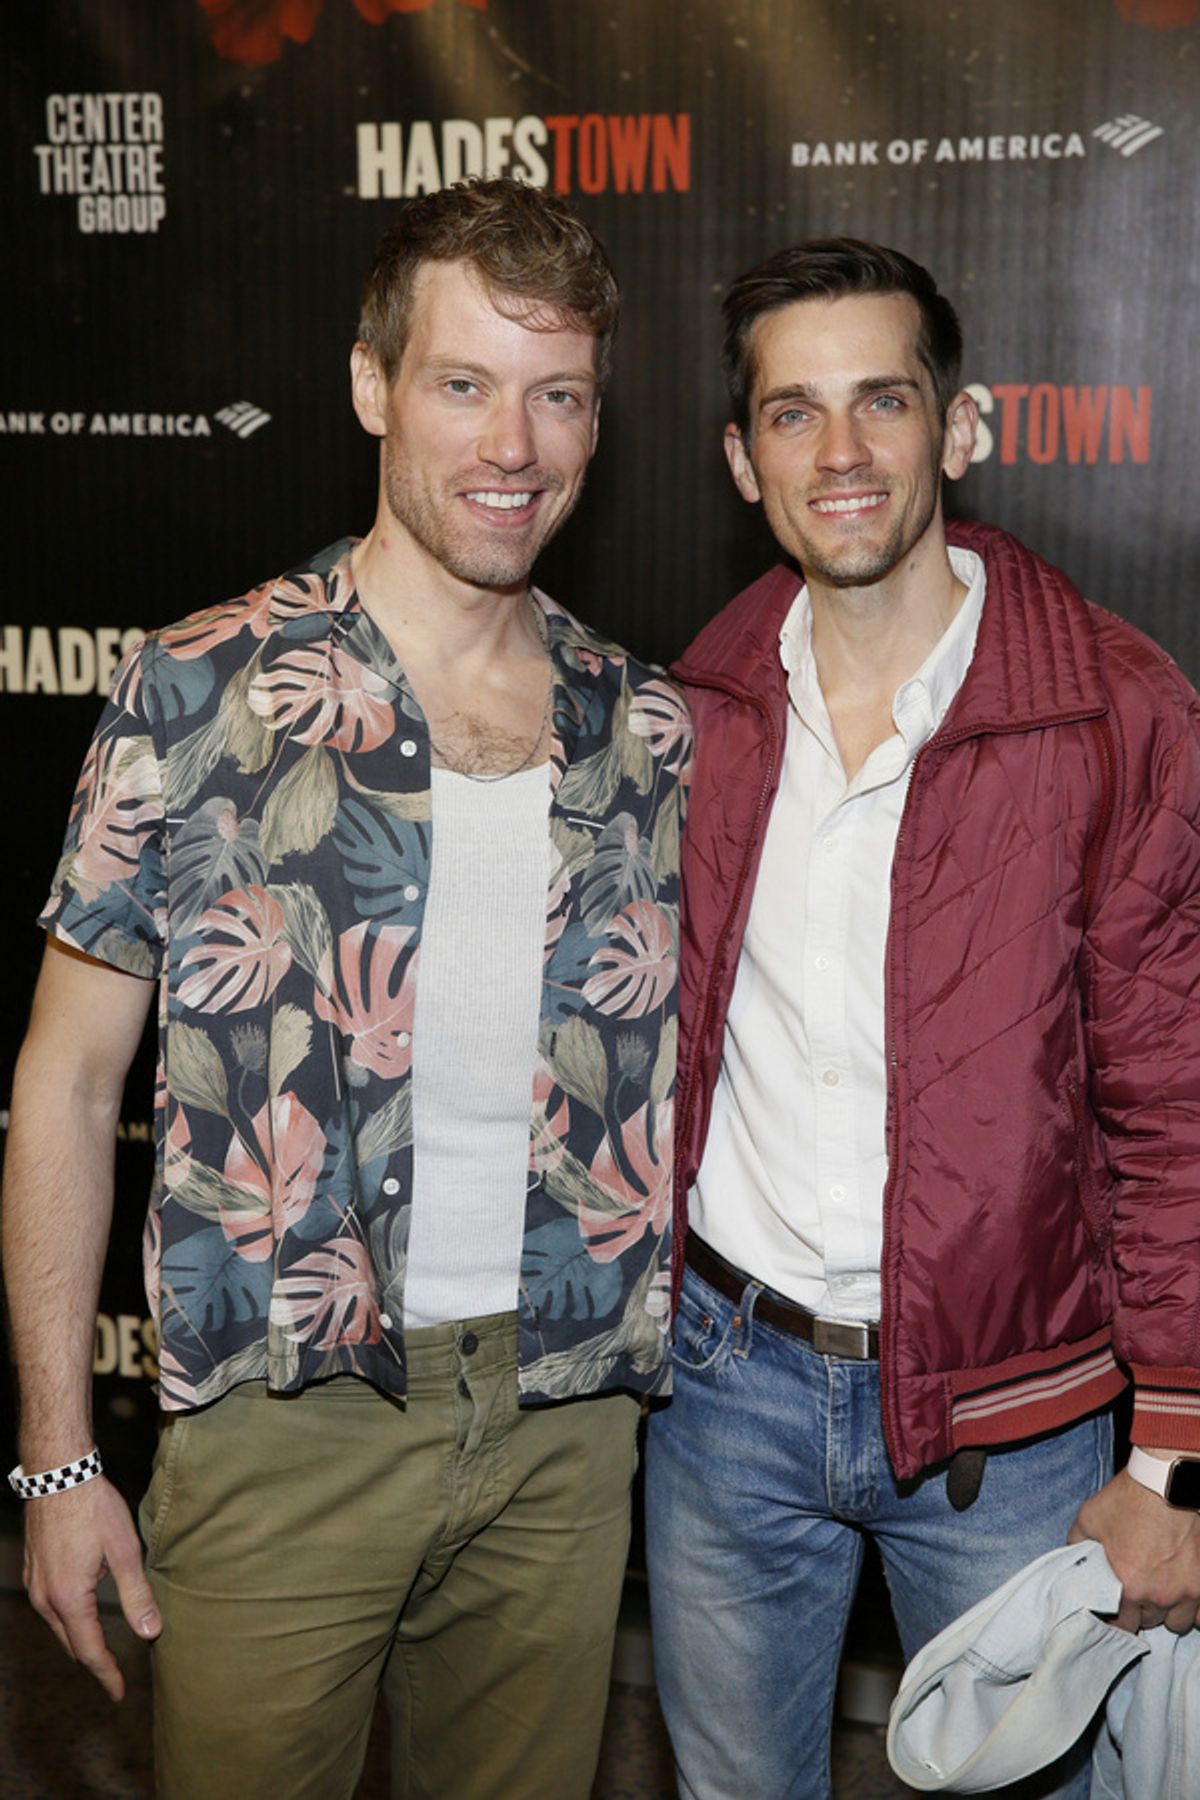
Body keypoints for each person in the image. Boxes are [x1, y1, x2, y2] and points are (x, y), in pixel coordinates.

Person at [2, 177, 690, 1800]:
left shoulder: (652, 732)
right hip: (280, 1427)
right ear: (374, 387)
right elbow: (65, 1085)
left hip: (568, 1423)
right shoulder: (196, 688)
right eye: (463, 384)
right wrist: (51, 1461)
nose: (511, 445)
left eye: (558, 394)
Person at [644, 237, 1200, 1799]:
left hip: (1010, 1427)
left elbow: (1174, 1106)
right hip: (723, 1396)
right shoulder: (695, 704)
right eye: (795, 413)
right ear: (742, 459)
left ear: (960, 429)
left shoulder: (1114, 710)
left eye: (882, 402)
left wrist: (1175, 1454)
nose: (842, 454)